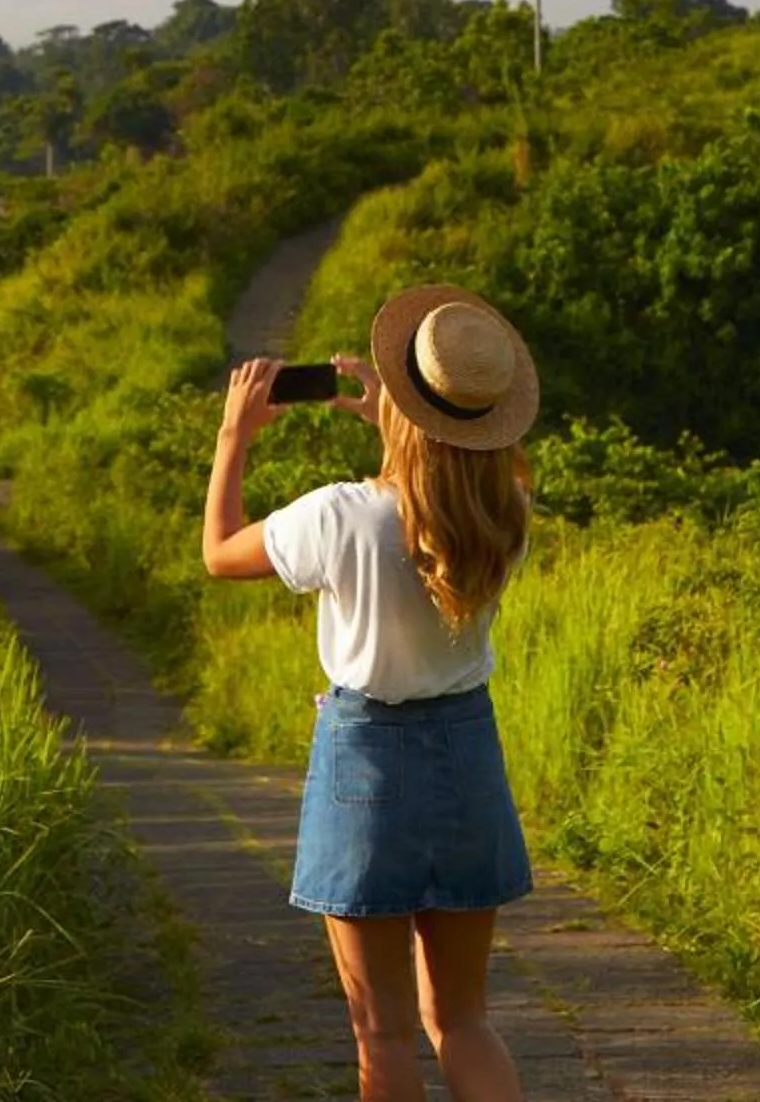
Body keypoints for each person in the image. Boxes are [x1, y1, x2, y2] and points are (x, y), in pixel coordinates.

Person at [200, 284, 540, 1102]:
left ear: (401, 406)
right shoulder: (507, 513)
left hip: (364, 765)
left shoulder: (339, 516)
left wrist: (232, 435)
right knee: (462, 1020)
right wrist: (405, 428)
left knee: (380, 1032)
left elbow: (217, 552)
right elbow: (462, 482)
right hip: (467, 757)